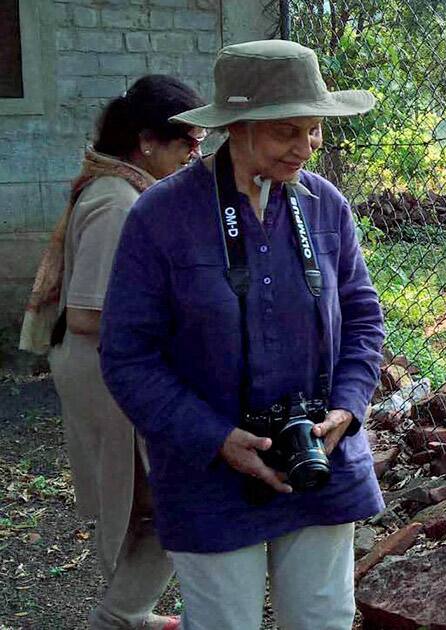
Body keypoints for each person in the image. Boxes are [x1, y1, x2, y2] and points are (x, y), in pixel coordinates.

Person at [98, 40, 386, 630]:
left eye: (314, 130)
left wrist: (348, 408)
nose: (306, 147)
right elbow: (128, 355)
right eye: (287, 131)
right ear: (238, 127)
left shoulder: (326, 207)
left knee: (323, 619)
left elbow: (362, 317)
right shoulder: (161, 216)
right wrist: (214, 437)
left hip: (319, 459)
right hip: (208, 472)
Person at [19, 75, 207, 630]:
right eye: (187, 143)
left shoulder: (124, 190)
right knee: (169, 495)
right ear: (148, 141)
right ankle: (119, 617)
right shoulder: (118, 202)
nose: (196, 155)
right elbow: (86, 314)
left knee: (139, 496)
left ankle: (130, 610)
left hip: (105, 369)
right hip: (107, 370)